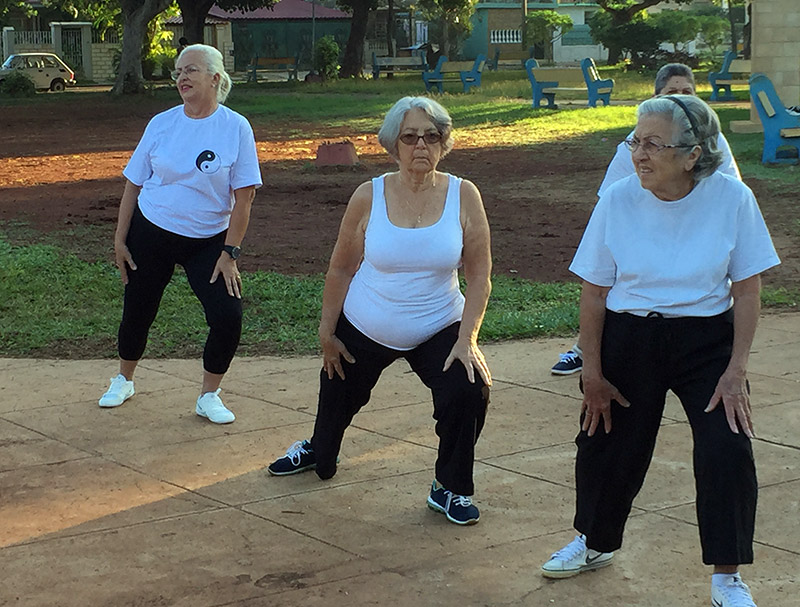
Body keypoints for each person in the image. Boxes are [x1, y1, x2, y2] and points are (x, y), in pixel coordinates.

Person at [541, 95, 780, 607]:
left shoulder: (732, 199)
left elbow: (748, 288)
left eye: (653, 143)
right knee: (605, 440)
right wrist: (593, 372)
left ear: (692, 154)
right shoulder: (619, 199)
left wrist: (736, 370)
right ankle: (593, 541)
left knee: (726, 446)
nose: (638, 154)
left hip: (706, 339)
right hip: (632, 335)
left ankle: (726, 576)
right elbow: (594, 291)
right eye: (635, 141)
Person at [267, 96, 492, 526]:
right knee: (336, 397)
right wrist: (327, 330)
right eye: (410, 137)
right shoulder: (367, 195)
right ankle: (319, 448)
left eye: (432, 136)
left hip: (439, 322)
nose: (420, 145)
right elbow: (341, 266)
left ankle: (450, 486)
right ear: (393, 145)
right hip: (367, 321)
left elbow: (480, 275)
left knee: (468, 388)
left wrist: (467, 339)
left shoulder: (465, 195)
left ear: (444, 143)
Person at [98, 44, 262, 424]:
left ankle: (209, 395)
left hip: (208, 241)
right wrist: (120, 240)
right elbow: (133, 184)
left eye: (190, 70)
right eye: (177, 72)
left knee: (227, 316)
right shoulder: (162, 123)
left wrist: (230, 253)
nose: (181, 78)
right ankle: (123, 378)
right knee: (138, 310)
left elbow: (245, 198)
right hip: (151, 230)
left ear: (215, 78)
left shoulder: (236, 127)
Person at [551, 63, 742, 376]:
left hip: (695, 237)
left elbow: (729, 191)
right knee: (616, 283)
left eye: (687, 93)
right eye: (671, 94)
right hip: (644, 237)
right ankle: (585, 348)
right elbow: (610, 204)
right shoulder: (635, 144)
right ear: (657, 98)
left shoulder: (713, 140)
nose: (680, 100)